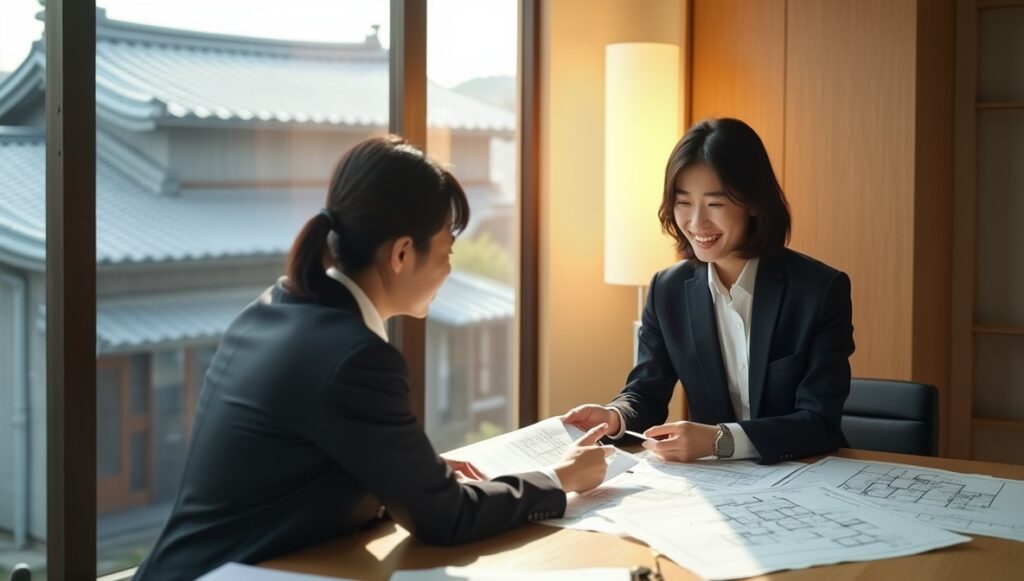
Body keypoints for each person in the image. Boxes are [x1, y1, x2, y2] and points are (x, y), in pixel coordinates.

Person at [135, 136, 612, 580]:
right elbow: (446, 520)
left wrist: (408, 473)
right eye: (447, 250)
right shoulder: (355, 358)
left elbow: (298, 471)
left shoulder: (276, 309)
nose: (449, 268)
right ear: (402, 253)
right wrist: (560, 477)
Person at [563, 118, 855, 465]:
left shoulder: (819, 290)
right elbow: (646, 392)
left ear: (753, 204)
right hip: (717, 485)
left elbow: (820, 423)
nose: (696, 222)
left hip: (807, 474)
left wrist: (721, 441)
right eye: (683, 202)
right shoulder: (666, 290)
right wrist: (615, 417)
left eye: (715, 204)